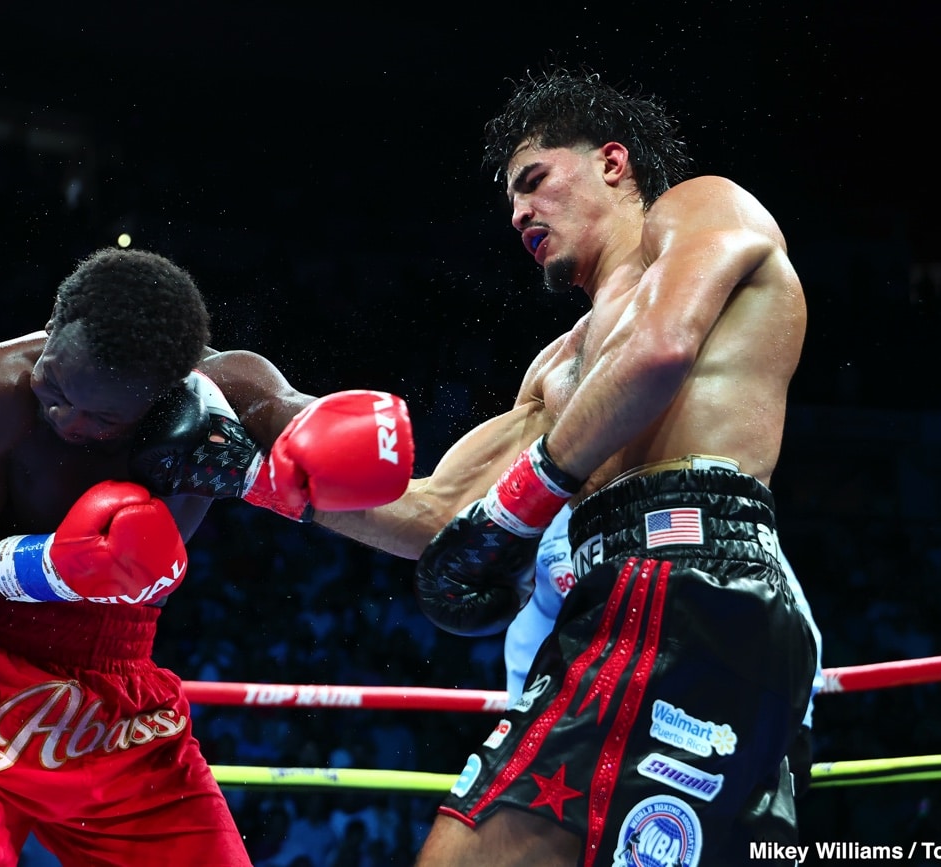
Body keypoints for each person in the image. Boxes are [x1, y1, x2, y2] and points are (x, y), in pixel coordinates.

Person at [313, 67, 818, 865]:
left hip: (688, 575)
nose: (519, 213)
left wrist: (527, 494)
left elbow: (661, 349)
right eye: (511, 201)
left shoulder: (701, 208)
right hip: (633, 596)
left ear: (612, 163)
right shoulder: (562, 368)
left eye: (534, 181)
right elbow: (442, 512)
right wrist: (265, 479)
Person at [0, 247, 414, 866]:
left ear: (161, 396)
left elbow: (305, 425)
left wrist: (290, 458)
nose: (65, 416)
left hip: (120, 698)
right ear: (54, 322)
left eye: (102, 418)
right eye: (54, 384)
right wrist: (55, 567)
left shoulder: (225, 390)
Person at [506, 509, 825, 798]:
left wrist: (799, 723)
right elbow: (535, 626)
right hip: (604, 719)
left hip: (710, 708)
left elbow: (785, 608)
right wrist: (520, 721)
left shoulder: (699, 500)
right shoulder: (549, 526)